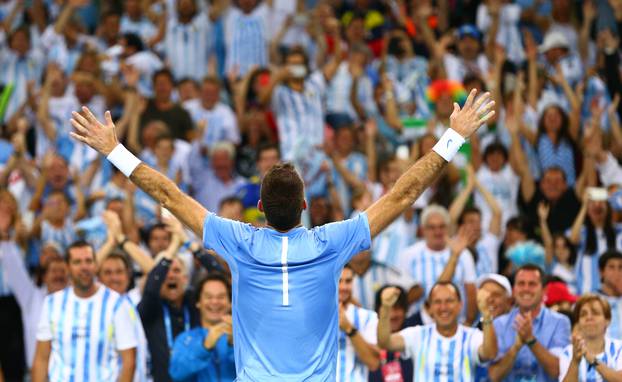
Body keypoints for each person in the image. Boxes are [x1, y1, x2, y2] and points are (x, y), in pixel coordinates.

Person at [69, 88, 495, 379]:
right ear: (306, 207)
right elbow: (404, 194)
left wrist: (113, 150)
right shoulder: (331, 242)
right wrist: (453, 137)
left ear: (259, 210)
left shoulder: (239, 240)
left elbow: (168, 193)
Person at [31, 240, 138, 382]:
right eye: (77, 262)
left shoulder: (116, 304)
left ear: (96, 265)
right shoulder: (51, 303)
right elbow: (41, 358)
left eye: (88, 261)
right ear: (68, 267)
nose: (84, 267)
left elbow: (129, 361)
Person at [377, 282, 498, 381]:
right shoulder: (418, 335)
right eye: (437, 302)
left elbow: (490, 353)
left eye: (449, 301)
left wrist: (486, 314)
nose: (443, 307)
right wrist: (385, 308)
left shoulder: (472, 336)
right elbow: (385, 342)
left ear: (460, 305)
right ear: (429, 308)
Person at [489, 264, 571, 382]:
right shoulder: (498, 324)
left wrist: (530, 340)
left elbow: (557, 371)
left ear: (544, 290)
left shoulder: (560, 322)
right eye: (521, 284)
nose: (526, 289)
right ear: (514, 289)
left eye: (532, 284)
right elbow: (493, 376)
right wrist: (515, 348)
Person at [169, 273, 236, 382]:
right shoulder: (185, 339)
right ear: (198, 302)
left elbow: (258, 371)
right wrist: (205, 347)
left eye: (221, 297)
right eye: (208, 297)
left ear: (230, 303)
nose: (215, 302)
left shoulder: (245, 339)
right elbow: (176, 373)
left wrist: (234, 345)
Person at [559, 294, 622, 381]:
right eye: (583, 314)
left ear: (607, 320)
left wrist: (591, 358)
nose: (589, 317)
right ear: (578, 322)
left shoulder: (619, 348)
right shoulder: (568, 352)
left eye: (595, 313)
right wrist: (575, 361)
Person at [337, 266, 380, 381]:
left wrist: (349, 328)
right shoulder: (313, 316)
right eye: (338, 281)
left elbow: (373, 363)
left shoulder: (368, 317)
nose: (343, 287)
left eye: (348, 281)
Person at [596, 251, 622, 341]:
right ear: (601, 272)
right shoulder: (590, 301)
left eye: (620, 267)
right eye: (612, 267)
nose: (617, 272)